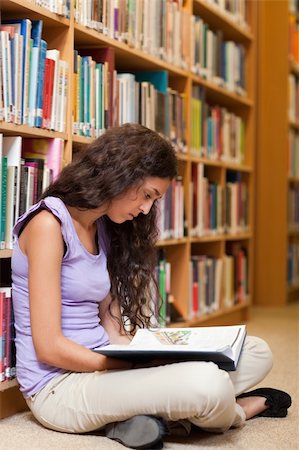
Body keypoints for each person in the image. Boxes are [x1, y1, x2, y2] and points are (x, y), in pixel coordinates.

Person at [11, 124, 291, 449]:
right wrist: (131, 366)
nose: (145, 209)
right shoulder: (48, 225)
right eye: (146, 195)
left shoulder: (104, 227)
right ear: (120, 174)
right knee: (209, 385)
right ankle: (236, 411)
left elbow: (110, 326)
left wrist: (154, 355)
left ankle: (140, 418)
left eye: (153, 200)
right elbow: (50, 348)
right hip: (59, 386)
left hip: (105, 369)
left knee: (255, 351)